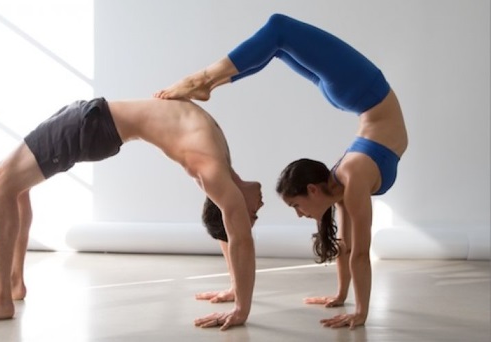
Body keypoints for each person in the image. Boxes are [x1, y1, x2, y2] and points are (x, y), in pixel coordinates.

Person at [155, 13, 408, 329]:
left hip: (363, 95)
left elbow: (355, 252)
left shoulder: (349, 178)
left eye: (296, 205)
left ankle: (208, 81)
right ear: (314, 189)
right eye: (297, 207)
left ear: (313, 188)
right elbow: (354, 251)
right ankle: (207, 81)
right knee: (278, 35)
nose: (300, 214)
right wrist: (346, 301)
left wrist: (358, 310)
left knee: (278, 33)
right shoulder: (349, 181)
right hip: (366, 93)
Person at [0, 97, 264, 331]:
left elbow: (238, 238)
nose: (258, 210)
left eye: (252, 216)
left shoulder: (212, 170)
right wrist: (236, 287)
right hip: (90, 118)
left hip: (91, 123)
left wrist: (241, 309)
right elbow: (232, 230)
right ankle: (11, 284)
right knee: (14, 189)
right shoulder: (222, 165)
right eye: (252, 216)